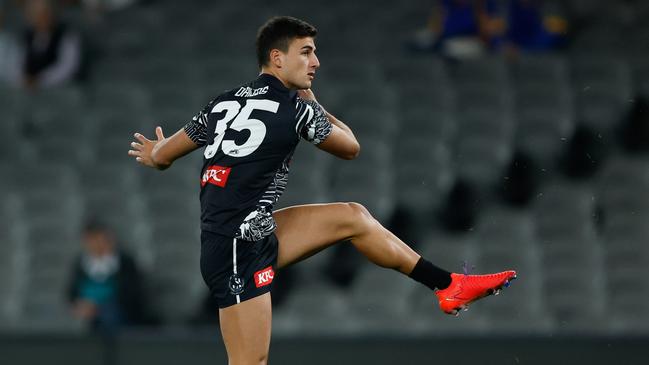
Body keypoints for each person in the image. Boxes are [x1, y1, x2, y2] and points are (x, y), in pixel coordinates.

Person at [128, 16, 516, 364]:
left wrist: (154, 153)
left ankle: (448, 285)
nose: (315, 62)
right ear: (277, 58)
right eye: (306, 52)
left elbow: (164, 156)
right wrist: (312, 101)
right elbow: (351, 147)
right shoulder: (296, 110)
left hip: (250, 231)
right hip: (235, 250)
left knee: (353, 216)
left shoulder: (222, 103)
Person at [66, 220, 148, 332]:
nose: (96, 243)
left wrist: (98, 307)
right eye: (92, 239)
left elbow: (133, 293)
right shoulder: (80, 264)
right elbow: (71, 292)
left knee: (110, 315)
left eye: (99, 238)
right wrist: (81, 305)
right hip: (88, 313)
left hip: (120, 315)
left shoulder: (125, 262)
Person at [19, 0, 81, 89]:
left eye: (45, 14)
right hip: (33, 90)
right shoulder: (28, 36)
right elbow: (22, 61)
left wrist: (41, 80)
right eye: (37, 15)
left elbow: (68, 67)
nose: (41, 19)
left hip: (61, 89)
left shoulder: (68, 36)